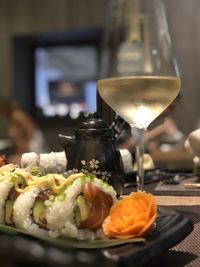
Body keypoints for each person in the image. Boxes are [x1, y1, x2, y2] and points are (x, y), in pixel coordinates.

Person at [0, 100, 49, 164]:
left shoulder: (17, 115)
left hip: (31, 143)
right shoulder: (16, 115)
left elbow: (29, 129)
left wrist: (27, 144)